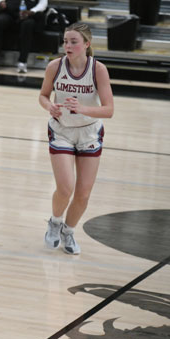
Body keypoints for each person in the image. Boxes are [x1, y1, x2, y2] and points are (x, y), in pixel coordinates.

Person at [39, 23, 114, 255]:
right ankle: (55, 221)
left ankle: (68, 231)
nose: (68, 46)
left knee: (83, 194)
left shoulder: (98, 69)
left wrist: (82, 108)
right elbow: (43, 96)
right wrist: (49, 106)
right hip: (62, 130)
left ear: (86, 44)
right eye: (65, 41)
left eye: (73, 41)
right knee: (65, 188)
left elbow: (109, 110)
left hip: (89, 132)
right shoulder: (55, 66)